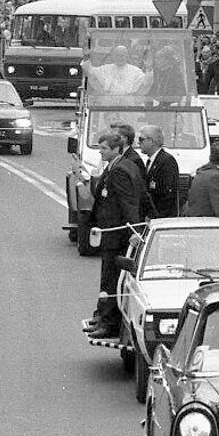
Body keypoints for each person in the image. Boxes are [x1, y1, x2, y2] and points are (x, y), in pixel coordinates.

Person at [85, 132, 141, 339]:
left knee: (111, 281)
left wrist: (134, 230)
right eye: (99, 148)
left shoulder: (119, 171)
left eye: (104, 148)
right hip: (112, 234)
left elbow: (128, 203)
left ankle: (108, 324)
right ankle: (103, 316)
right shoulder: (121, 166)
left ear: (116, 149)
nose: (100, 151)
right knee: (109, 280)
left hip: (115, 235)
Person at [138, 125, 179, 218]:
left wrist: (157, 216)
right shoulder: (151, 161)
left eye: (141, 139)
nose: (138, 143)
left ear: (151, 141)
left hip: (161, 217)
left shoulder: (166, 161)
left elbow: (167, 194)